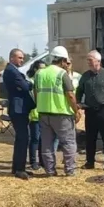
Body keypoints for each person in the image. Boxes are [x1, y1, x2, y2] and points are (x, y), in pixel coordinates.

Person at [34, 46, 81, 177]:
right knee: (68, 143)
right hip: (62, 115)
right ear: (62, 60)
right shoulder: (62, 74)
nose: (66, 64)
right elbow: (70, 95)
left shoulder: (39, 73)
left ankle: (50, 171)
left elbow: (36, 92)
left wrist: (40, 106)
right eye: (66, 61)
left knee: (47, 144)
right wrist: (76, 110)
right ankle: (70, 170)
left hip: (43, 114)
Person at [75, 50, 104, 171]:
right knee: (90, 138)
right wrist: (78, 103)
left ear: (98, 61)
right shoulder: (85, 76)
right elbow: (79, 90)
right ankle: (90, 162)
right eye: (88, 60)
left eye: (90, 60)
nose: (88, 62)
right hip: (90, 111)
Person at [2, 48, 34, 180]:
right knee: (23, 138)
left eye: (22, 58)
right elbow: (26, 87)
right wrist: (28, 83)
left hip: (20, 109)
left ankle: (17, 167)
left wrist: (26, 83)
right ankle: (20, 169)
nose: (22, 60)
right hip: (18, 109)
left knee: (20, 139)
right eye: (19, 58)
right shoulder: (11, 71)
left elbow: (24, 85)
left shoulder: (13, 71)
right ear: (12, 58)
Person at [26, 59, 48, 172]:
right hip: (34, 114)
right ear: (35, 69)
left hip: (44, 114)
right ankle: (33, 162)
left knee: (42, 139)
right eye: (40, 68)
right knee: (35, 139)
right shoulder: (31, 81)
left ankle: (43, 161)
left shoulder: (44, 81)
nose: (43, 71)